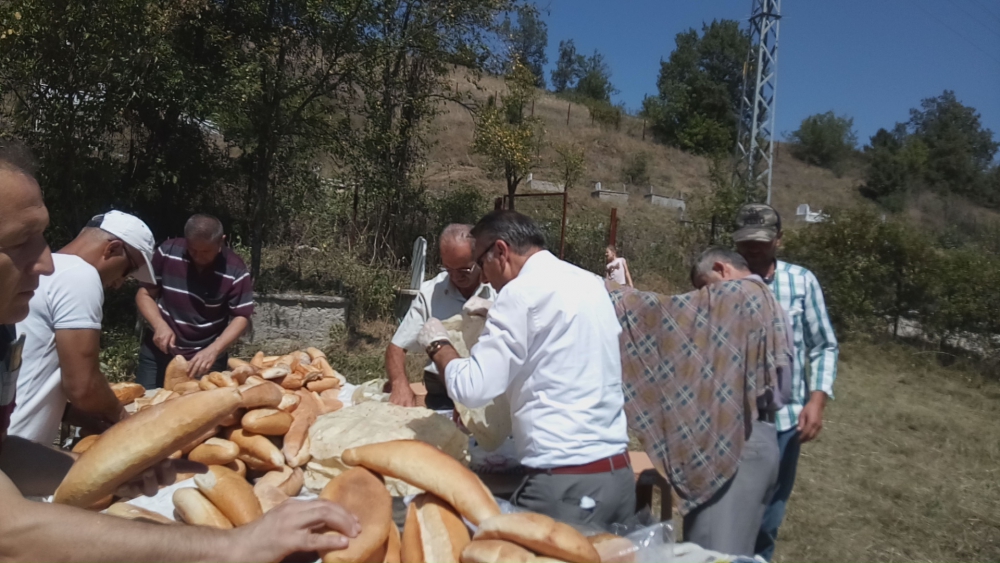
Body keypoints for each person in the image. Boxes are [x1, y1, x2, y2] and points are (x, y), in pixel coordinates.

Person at [0, 140, 360, 562]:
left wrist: (105, 473)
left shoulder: (5, 331)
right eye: (21, 240)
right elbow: (12, 532)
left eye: (42, 235)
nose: (46, 263)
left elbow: (4, 454)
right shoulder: (93, 272)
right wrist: (231, 546)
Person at [417, 210, 634, 530]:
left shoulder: (519, 293)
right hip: (619, 476)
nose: (485, 278)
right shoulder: (589, 283)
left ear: (501, 251)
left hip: (563, 485)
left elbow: (472, 389)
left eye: (481, 263)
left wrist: (439, 345)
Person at [731, 204, 839, 561]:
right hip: (731, 417)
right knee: (727, 507)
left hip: (784, 420)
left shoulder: (801, 282)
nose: (753, 250)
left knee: (769, 510)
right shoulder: (723, 280)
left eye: (761, 242)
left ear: (779, 239)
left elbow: (823, 344)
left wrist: (817, 400)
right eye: (746, 243)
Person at [678, 247, 791, 555]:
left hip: (732, 441)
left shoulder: (736, 297)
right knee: (735, 550)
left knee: (710, 553)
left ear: (721, 268)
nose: (704, 298)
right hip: (761, 442)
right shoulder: (771, 302)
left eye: (704, 287)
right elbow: (783, 388)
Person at [10, 211, 157, 445]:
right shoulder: (79, 276)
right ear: (113, 248)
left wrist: (70, 414)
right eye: (127, 270)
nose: (119, 283)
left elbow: (24, 369)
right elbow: (83, 385)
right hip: (18, 450)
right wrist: (121, 417)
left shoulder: (36, 273)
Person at [135, 214, 253, 389]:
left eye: (205, 252)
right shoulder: (167, 251)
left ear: (221, 241)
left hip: (205, 358)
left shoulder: (235, 269)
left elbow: (241, 317)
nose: (198, 256)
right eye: (192, 249)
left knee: (202, 412)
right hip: (159, 352)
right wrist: (159, 324)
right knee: (144, 406)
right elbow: (144, 294)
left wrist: (214, 349)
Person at [385, 224, 496, 409]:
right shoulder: (432, 292)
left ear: (480, 259)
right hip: (442, 391)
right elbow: (396, 347)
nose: (454, 277)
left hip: (491, 390)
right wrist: (399, 385)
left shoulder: (500, 288)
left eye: (463, 271)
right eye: (448, 269)